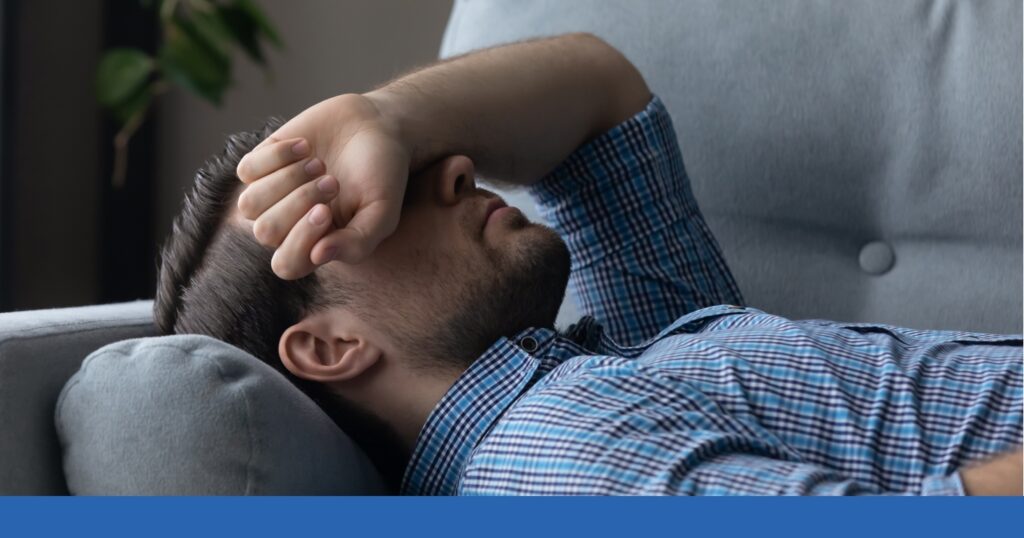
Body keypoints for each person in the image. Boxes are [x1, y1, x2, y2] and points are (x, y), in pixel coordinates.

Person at [154, 33, 1023, 495]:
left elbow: (603, 99)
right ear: (331, 347)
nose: (453, 164)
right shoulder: (557, 456)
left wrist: (386, 118)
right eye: (362, 207)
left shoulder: (622, 358)